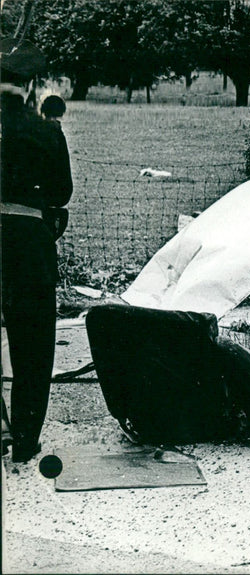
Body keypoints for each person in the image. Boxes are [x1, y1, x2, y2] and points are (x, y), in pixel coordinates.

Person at [1, 37, 73, 463]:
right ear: (30, 86)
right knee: (32, 347)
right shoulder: (46, 131)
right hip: (27, 243)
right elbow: (61, 192)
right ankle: (25, 440)